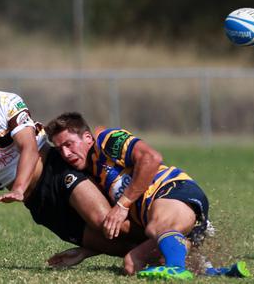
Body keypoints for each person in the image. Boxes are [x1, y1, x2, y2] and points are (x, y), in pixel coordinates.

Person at [0, 51, 141, 265]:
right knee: (124, 250)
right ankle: (163, 250)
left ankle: (167, 235)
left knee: (103, 221)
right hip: (38, 202)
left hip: (56, 170)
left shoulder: (6, 101)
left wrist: (19, 188)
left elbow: (29, 148)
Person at [44, 112, 223, 280]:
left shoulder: (106, 140)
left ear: (87, 138)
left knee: (156, 227)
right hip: (163, 220)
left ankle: (176, 267)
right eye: (60, 150)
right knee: (132, 264)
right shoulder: (91, 176)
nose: (66, 154)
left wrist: (122, 205)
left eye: (69, 144)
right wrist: (86, 252)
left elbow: (151, 158)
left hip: (173, 189)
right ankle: (210, 271)